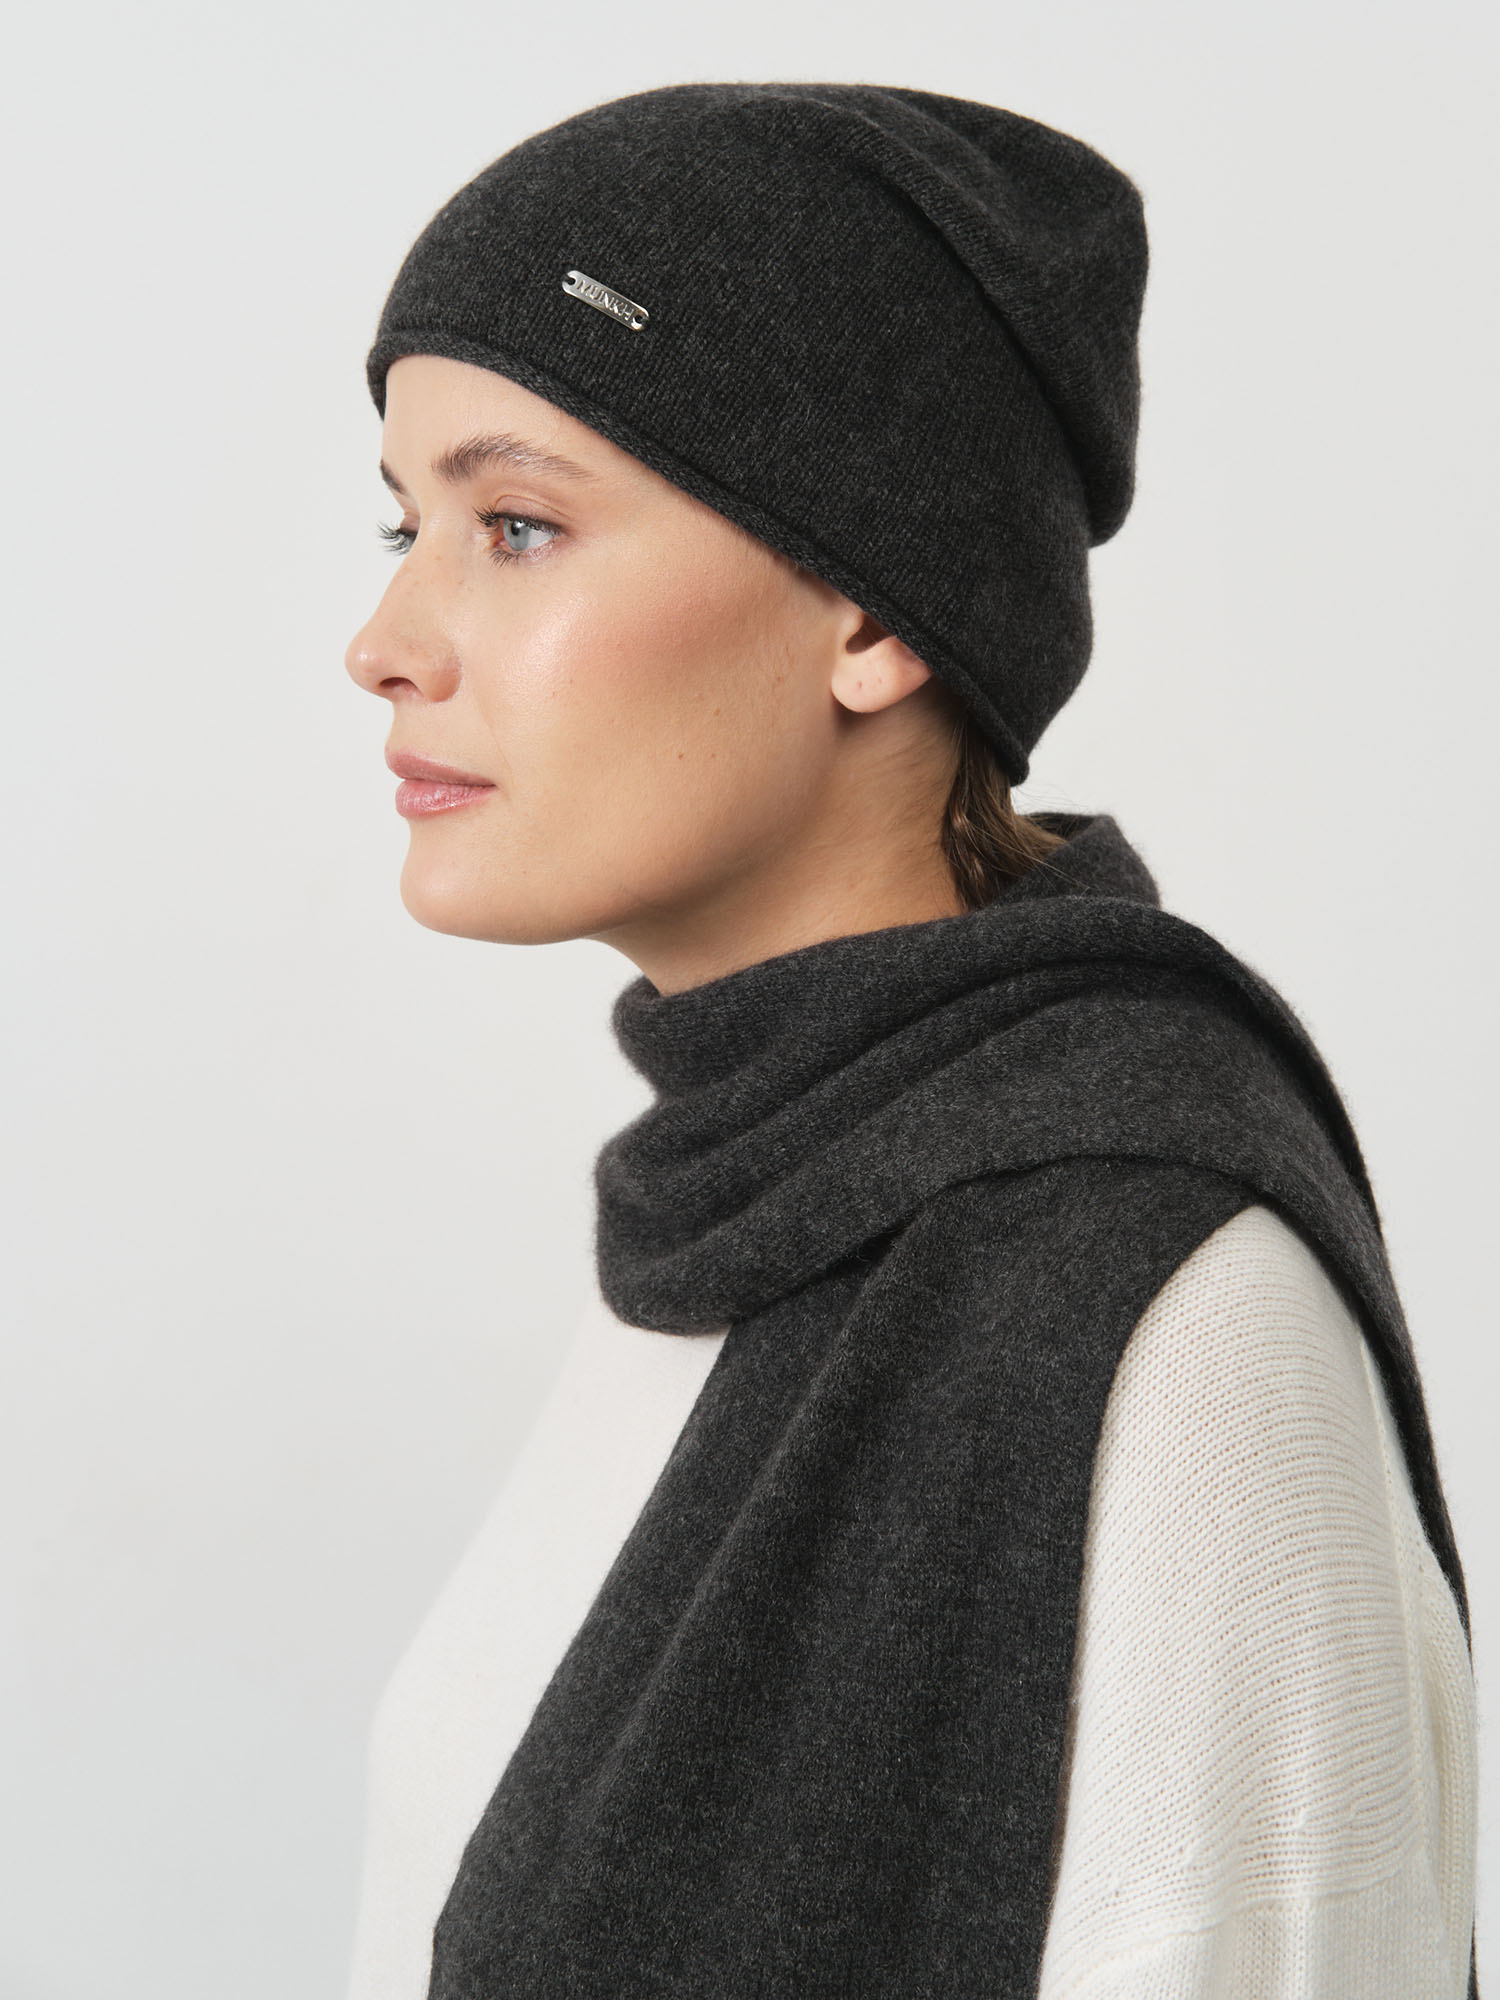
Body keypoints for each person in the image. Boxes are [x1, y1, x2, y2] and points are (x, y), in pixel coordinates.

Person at [341, 82, 1479, 2000]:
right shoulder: (732, 1212)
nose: (383, 637)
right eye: (405, 521)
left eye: (516, 525)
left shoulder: (1168, 1322)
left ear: (873, 612)